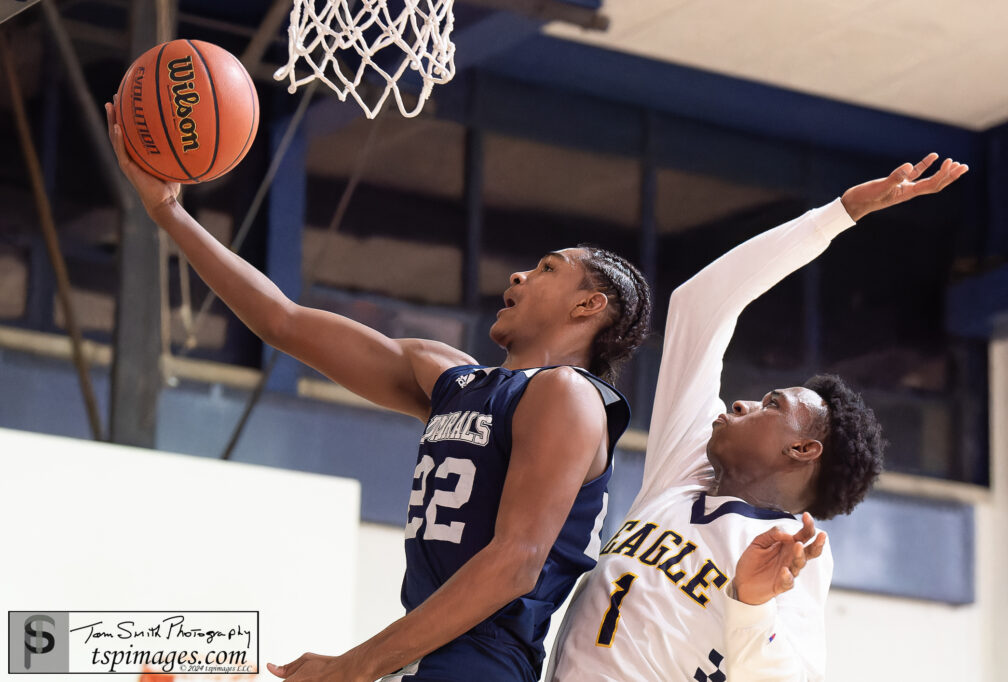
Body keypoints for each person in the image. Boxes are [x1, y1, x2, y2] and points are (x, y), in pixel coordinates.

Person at [105, 96, 652, 682]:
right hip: (418, 653)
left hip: (482, 661)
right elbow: (282, 322)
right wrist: (167, 212)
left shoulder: (567, 395)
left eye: (547, 268)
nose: (519, 275)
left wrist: (351, 667)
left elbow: (515, 564)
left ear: (588, 306)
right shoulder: (452, 379)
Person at [545, 154, 969, 681]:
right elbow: (698, 305)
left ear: (802, 450)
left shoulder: (795, 554)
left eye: (772, 405)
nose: (739, 404)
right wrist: (839, 214)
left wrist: (753, 604)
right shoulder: (682, 473)